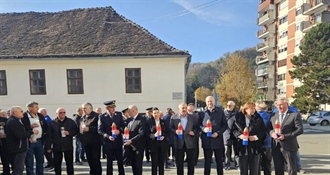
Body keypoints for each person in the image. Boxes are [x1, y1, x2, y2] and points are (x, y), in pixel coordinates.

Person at [269, 97, 303, 175]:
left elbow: (299, 130)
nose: (279, 107)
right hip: (276, 146)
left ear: (287, 104)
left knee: (291, 168)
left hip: (289, 146)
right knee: (278, 168)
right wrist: (272, 133)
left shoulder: (294, 115)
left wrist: (285, 136)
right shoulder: (273, 115)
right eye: (277, 105)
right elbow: (269, 127)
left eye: (281, 105)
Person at [232, 102, 266, 175]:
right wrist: (239, 135)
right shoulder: (238, 117)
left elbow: (263, 131)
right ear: (246, 109)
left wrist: (255, 137)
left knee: (254, 170)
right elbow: (234, 130)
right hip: (242, 147)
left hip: (255, 147)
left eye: (254, 108)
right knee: (243, 169)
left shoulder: (258, 118)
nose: (253, 110)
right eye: (251, 108)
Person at [6, 106, 38, 175]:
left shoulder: (16, 121)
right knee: (18, 169)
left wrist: (30, 127)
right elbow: (20, 134)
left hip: (20, 148)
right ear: (14, 113)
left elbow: (21, 131)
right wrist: (32, 132)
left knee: (19, 168)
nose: (22, 113)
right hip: (17, 149)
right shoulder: (13, 121)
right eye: (20, 111)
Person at [46, 107, 78, 175]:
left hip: (68, 145)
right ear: (57, 114)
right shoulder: (53, 123)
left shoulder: (70, 121)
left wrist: (69, 133)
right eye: (60, 113)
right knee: (57, 164)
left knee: (69, 163)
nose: (62, 114)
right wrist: (48, 147)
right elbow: (49, 136)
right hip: (57, 146)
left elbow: (76, 130)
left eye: (64, 112)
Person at [201, 96, 228, 175]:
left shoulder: (220, 112)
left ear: (214, 102)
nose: (210, 103)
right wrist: (203, 129)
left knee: (219, 162)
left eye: (211, 101)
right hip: (206, 141)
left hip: (218, 140)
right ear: (206, 102)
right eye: (208, 101)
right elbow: (198, 125)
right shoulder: (202, 113)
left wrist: (218, 133)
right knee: (207, 163)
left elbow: (225, 125)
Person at [98, 100, 125, 175]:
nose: (113, 109)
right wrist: (108, 136)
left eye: (114, 107)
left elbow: (123, 126)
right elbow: (100, 130)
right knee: (109, 161)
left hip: (118, 141)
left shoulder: (119, 114)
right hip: (108, 142)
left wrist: (119, 131)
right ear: (107, 108)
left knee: (120, 160)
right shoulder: (102, 117)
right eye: (111, 108)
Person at [170, 103, 198, 175]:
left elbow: (196, 128)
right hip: (179, 143)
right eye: (182, 108)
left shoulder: (192, 117)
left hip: (190, 142)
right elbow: (170, 128)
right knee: (179, 163)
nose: (184, 109)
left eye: (185, 108)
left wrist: (194, 132)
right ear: (179, 109)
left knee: (191, 163)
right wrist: (175, 131)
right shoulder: (174, 117)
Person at [22, 101, 48, 175]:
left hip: (39, 141)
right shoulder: (24, 116)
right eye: (36, 107)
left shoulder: (40, 115)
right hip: (29, 141)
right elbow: (22, 128)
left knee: (40, 160)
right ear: (30, 108)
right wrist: (30, 127)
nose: (38, 108)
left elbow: (45, 126)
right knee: (29, 161)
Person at [79, 102, 102, 175]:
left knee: (95, 160)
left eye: (85, 108)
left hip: (95, 142)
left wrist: (89, 129)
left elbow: (99, 129)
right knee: (89, 160)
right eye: (82, 108)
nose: (83, 110)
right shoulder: (83, 117)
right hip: (86, 142)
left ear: (90, 108)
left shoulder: (96, 116)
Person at [146, 107, 170, 175]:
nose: (156, 114)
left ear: (160, 113)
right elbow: (146, 133)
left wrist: (164, 136)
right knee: (154, 164)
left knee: (161, 164)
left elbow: (168, 132)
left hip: (162, 145)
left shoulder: (163, 122)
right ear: (152, 114)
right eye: (154, 113)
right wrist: (154, 135)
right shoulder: (149, 122)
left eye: (157, 113)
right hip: (153, 146)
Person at [124, 105, 146, 175]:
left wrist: (131, 140)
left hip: (138, 146)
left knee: (138, 164)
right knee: (133, 164)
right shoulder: (129, 119)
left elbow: (141, 133)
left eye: (129, 111)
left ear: (133, 110)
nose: (128, 112)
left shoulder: (141, 119)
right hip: (130, 146)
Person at [255, 101, 272, 175]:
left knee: (256, 163)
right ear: (266, 108)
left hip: (256, 141)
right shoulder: (270, 116)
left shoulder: (255, 116)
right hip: (268, 142)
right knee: (267, 162)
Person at [223, 101, 239, 170]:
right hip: (226, 134)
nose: (228, 106)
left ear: (233, 106)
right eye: (227, 105)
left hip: (236, 134)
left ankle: (237, 165)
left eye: (230, 105)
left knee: (237, 151)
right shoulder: (223, 114)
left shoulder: (237, 114)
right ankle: (227, 164)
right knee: (227, 151)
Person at [0, 110, 10, 175]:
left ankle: (6, 172)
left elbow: (10, 129)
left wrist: (6, 134)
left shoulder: (5, 120)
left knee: (5, 158)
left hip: (4, 143)